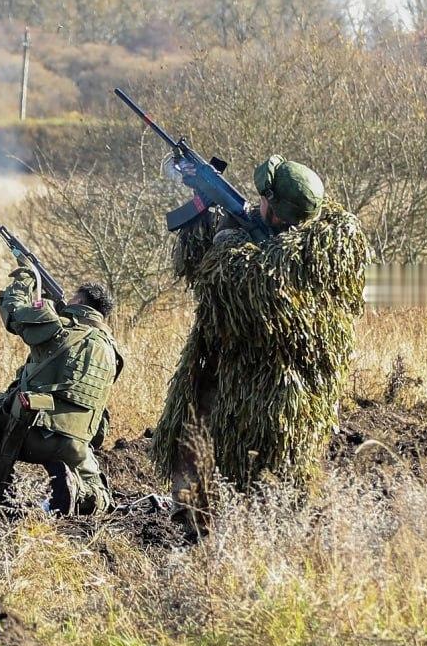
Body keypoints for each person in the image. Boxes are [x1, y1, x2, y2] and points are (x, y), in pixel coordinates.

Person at [156, 155, 369, 530]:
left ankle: (232, 530)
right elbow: (192, 265)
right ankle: (196, 519)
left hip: (264, 388)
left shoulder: (295, 262)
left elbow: (231, 286)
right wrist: (203, 208)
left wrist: (227, 238)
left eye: (265, 199)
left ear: (280, 211)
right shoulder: (309, 239)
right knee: (197, 441)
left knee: (247, 465)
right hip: (228, 367)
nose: (259, 203)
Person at [0, 263, 122, 515]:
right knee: (100, 493)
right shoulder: (111, 350)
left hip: (36, 432)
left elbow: (14, 313)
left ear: (79, 301)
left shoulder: (60, 328)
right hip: (79, 441)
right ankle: (79, 492)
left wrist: (25, 280)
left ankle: (3, 496)